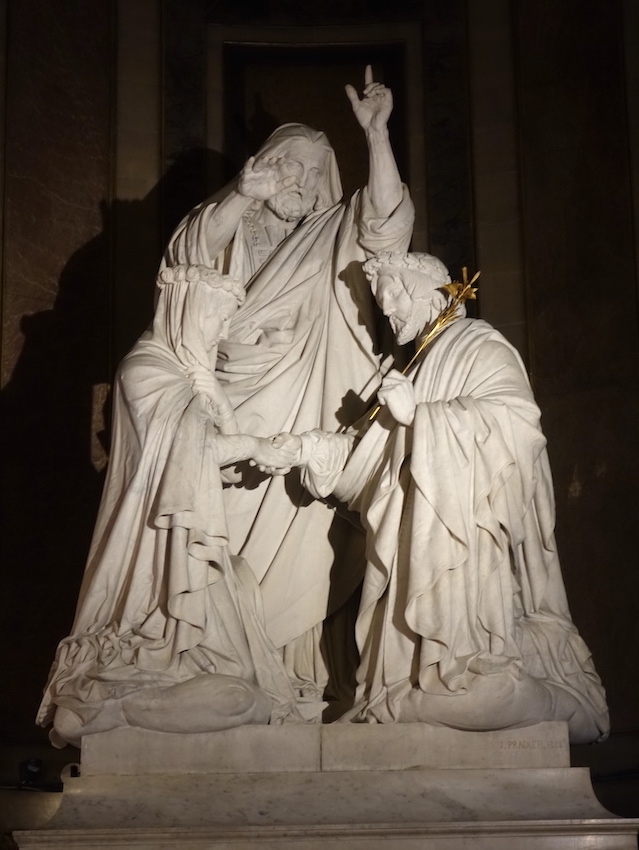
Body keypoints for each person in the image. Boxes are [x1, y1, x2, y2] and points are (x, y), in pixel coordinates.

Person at [269, 251, 609, 744]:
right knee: (409, 681)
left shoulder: (478, 344)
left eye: (395, 301)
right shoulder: (415, 362)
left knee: (471, 687)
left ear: (428, 291)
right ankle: (404, 692)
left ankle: (471, 680)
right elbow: (373, 454)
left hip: (460, 539)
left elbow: (518, 425)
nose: (389, 315)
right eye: (383, 308)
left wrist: (421, 418)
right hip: (410, 537)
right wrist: (309, 450)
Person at [162, 67, 415, 711]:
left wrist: (378, 139)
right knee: (222, 541)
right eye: (286, 166)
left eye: (309, 171)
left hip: (310, 412)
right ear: (263, 165)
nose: (296, 181)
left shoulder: (335, 229)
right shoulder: (227, 218)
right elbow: (184, 262)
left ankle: (295, 681)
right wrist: (241, 197)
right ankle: (217, 663)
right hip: (231, 402)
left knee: (306, 542)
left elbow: (387, 225)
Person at [37, 264, 301, 747]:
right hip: (159, 552)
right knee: (243, 691)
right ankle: (104, 705)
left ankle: (105, 711)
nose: (222, 332)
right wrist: (253, 446)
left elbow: (204, 452)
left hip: (188, 542)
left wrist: (220, 401)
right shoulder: (146, 372)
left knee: (243, 674)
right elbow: (188, 453)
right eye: (217, 318)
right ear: (186, 312)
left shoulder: (185, 376)